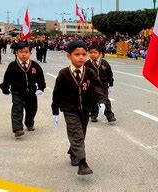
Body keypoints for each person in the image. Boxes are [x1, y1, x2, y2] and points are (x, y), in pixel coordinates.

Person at [51, 40, 105, 175]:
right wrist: (55, 110)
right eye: (77, 54)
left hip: (85, 109)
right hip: (69, 109)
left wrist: (101, 101)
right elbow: (57, 93)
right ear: (69, 56)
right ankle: (82, 163)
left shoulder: (89, 72)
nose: (81, 57)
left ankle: (73, 152)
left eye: (83, 54)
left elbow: (98, 87)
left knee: (81, 133)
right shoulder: (63, 74)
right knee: (76, 133)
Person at [0, 41, 46, 138]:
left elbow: (40, 78)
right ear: (16, 53)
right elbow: (7, 79)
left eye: (26, 52)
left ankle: (29, 123)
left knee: (32, 109)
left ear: (30, 53)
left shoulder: (35, 66)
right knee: (17, 109)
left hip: (31, 92)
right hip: (17, 92)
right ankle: (18, 129)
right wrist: (5, 88)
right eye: (21, 52)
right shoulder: (12, 66)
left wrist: (41, 87)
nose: (23, 54)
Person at [85, 44, 116, 123]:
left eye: (95, 52)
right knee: (93, 100)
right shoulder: (86, 64)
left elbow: (110, 75)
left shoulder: (104, 63)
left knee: (105, 100)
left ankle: (109, 115)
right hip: (91, 86)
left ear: (100, 53)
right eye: (91, 52)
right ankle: (93, 115)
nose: (92, 54)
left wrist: (111, 84)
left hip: (103, 85)